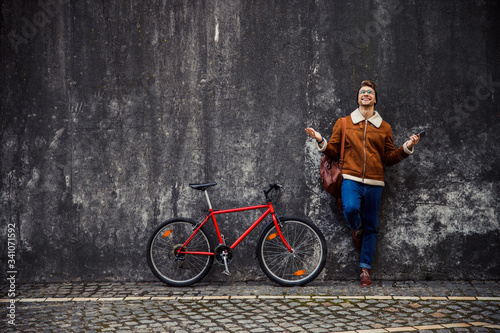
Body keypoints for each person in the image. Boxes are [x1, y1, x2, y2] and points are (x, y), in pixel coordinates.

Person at [305, 80, 420, 287]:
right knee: (350, 208)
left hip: (375, 182)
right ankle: (356, 227)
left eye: (369, 92)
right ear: (358, 98)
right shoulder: (344, 123)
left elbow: (388, 158)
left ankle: (365, 269)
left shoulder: (384, 127)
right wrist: (321, 140)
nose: (365, 94)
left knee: (372, 226)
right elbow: (332, 150)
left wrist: (407, 147)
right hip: (350, 178)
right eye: (362, 92)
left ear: (375, 99)